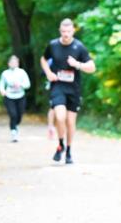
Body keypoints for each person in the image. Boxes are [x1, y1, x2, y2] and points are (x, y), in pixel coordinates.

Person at [40, 18, 96, 164]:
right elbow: (43, 59)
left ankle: (69, 151)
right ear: (60, 31)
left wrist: (77, 64)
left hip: (74, 89)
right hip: (57, 86)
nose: (66, 34)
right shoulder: (53, 45)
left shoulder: (79, 47)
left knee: (70, 122)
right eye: (63, 31)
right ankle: (60, 144)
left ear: (73, 31)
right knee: (60, 117)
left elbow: (92, 67)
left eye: (69, 31)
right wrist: (48, 73)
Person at [0, 55, 31, 141]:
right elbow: (1, 84)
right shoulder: (5, 73)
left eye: (15, 62)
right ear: (8, 64)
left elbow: (28, 84)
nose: (13, 64)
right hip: (9, 97)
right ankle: (13, 132)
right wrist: (2, 90)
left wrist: (20, 85)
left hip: (20, 96)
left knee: (19, 115)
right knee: (13, 115)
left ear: (18, 63)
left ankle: (15, 125)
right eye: (11, 62)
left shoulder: (22, 72)